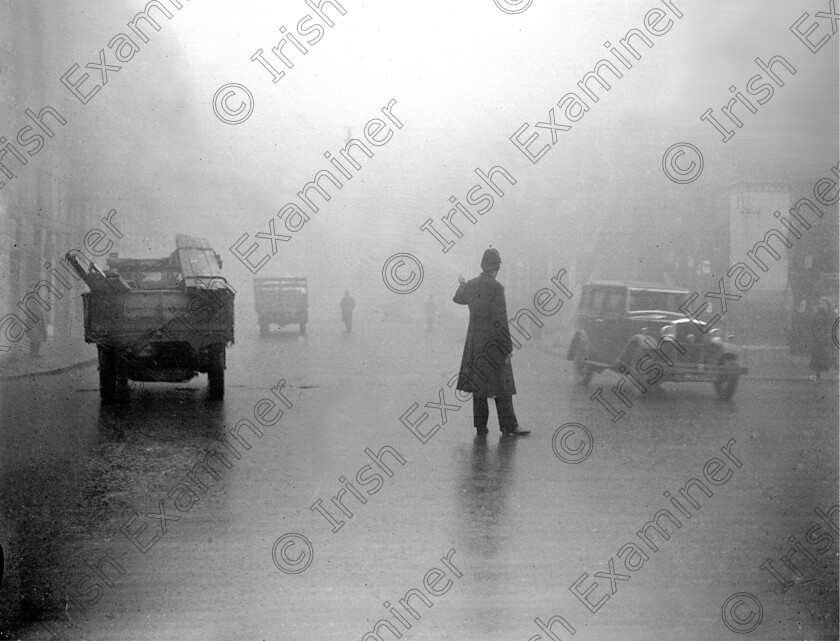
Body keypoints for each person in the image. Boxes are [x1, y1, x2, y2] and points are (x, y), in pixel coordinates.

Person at [453, 248, 529, 436]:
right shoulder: (496, 287)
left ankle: (481, 427)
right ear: (496, 268)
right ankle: (509, 425)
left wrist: (462, 283)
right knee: (503, 385)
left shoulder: (471, 285)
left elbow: (459, 298)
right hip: (494, 343)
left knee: (479, 386)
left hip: (475, 343)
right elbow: (500, 319)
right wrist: (507, 347)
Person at [809, 296, 836, 381]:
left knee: (830, 357)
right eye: (820, 303)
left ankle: (833, 373)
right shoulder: (817, 314)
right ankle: (818, 375)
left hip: (828, 339)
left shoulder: (832, 314)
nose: (821, 305)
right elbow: (814, 326)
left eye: (823, 303)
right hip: (819, 338)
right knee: (818, 358)